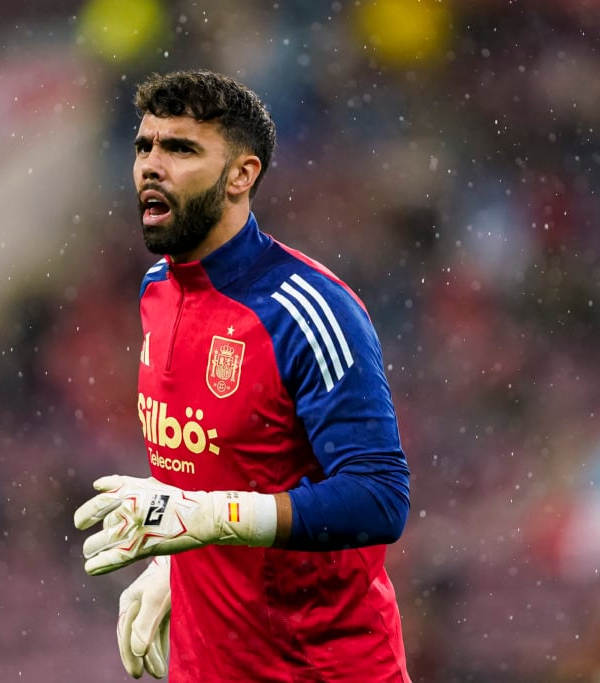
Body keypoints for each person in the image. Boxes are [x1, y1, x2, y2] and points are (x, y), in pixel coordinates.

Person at [74, 69, 412, 682]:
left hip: (320, 669)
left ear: (241, 175)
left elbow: (379, 497)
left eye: (180, 148)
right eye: (144, 146)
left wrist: (211, 519)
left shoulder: (309, 310)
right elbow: (222, 469)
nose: (152, 165)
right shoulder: (156, 291)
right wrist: (173, 567)